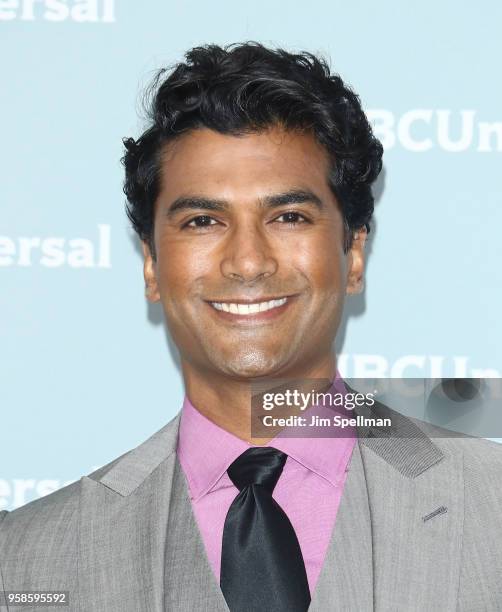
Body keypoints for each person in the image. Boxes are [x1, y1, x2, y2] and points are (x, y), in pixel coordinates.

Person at [1, 42, 501, 612]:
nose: (247, 261)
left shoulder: (493, 506)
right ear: (151, 266)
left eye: (288, 217)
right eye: (203, 220)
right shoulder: (25, 561)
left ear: (353, 254)